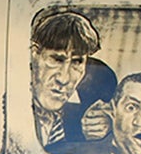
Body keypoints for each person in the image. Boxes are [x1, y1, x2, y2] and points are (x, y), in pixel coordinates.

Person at [29, 10, 101, 146]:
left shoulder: (82, 110)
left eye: (76, 62)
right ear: (34, 55)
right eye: (57, 59)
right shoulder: (8, 105)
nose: (64, 79)